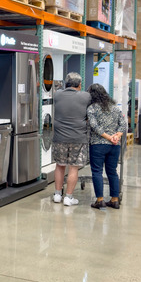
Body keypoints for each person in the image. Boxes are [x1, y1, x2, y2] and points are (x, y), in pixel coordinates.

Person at [52, 72, 91, 206]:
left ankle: (57, 195)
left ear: (66, 83)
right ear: (79, 84)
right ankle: (68, 198)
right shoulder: (85, 96)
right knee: (73, 168)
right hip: (78, 137)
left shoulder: (57, 95)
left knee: (59, 165)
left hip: (59, 137)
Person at [86, 84, 125, 209]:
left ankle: (100, 200)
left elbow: (94, 126)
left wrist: (108, 137)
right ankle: (114, 200)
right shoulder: (115, 108)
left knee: (97, 171)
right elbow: (123, 124)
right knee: (112, 172)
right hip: (115, 145)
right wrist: (116, 137)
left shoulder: (92, 108)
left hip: (98, 144)